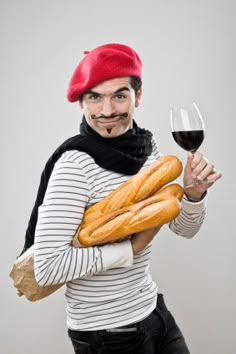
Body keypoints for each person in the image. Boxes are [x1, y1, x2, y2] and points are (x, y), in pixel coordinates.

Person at [30, 43, 221, 353]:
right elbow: (47, 268)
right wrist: (129, 249)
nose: (106, 111)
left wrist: (194, 195)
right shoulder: (75, 166)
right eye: (95, 97)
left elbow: (183, 229)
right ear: (82, 102)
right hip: (107, 334)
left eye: (119, 95)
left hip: (152, 310)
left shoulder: (147, 149)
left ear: (138, 96)